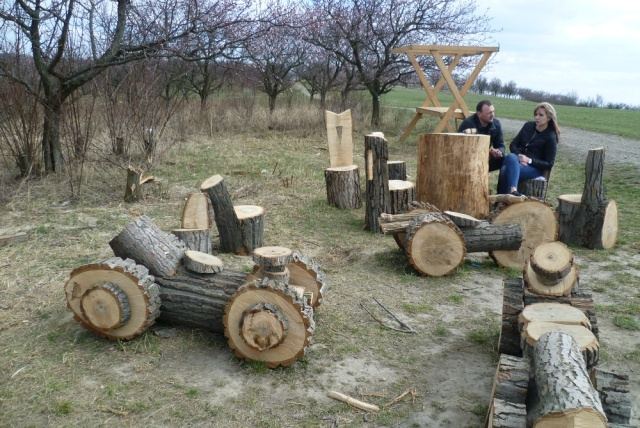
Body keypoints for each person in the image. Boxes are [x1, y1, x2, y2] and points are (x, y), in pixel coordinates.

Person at [497, 102, 560, 196]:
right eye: (536, 114)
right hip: (517, 161)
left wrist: (529, 160)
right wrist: (520, 156)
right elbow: (513, 144)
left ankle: (503, 200)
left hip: (534, 168)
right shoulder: (528, 126)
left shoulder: (551, 136)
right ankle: (512, 192)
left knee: (505, 170)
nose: (537, 117)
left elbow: (549, 164)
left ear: (549, 118)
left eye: (541, 115)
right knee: (511, 156)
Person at [458, 100, 506, 171]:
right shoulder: (468, 124)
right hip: (468, 158)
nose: (492, 115)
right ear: (479, 114)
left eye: (493, 111)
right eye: (489, 113)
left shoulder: (496, 124)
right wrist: (488, 151)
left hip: (485, 156)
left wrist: (499, 152)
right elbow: (464, 148)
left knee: (505, 160)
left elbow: (501, 145)